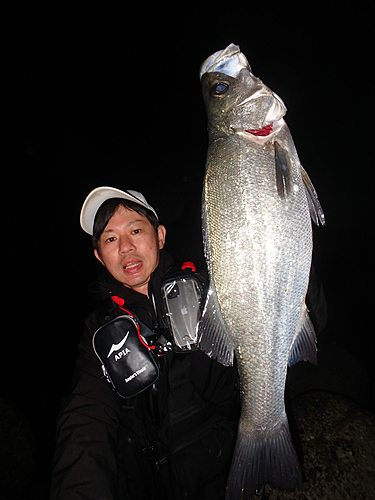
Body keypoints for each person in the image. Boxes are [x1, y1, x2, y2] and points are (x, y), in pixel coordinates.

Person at [50, 187, 241, 500]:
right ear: (99, 255)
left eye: (136, 230)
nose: (125, 247)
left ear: (160, 236)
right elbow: (85, 419)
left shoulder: (213, 290)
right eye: (110, 239)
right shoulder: (98, 335)